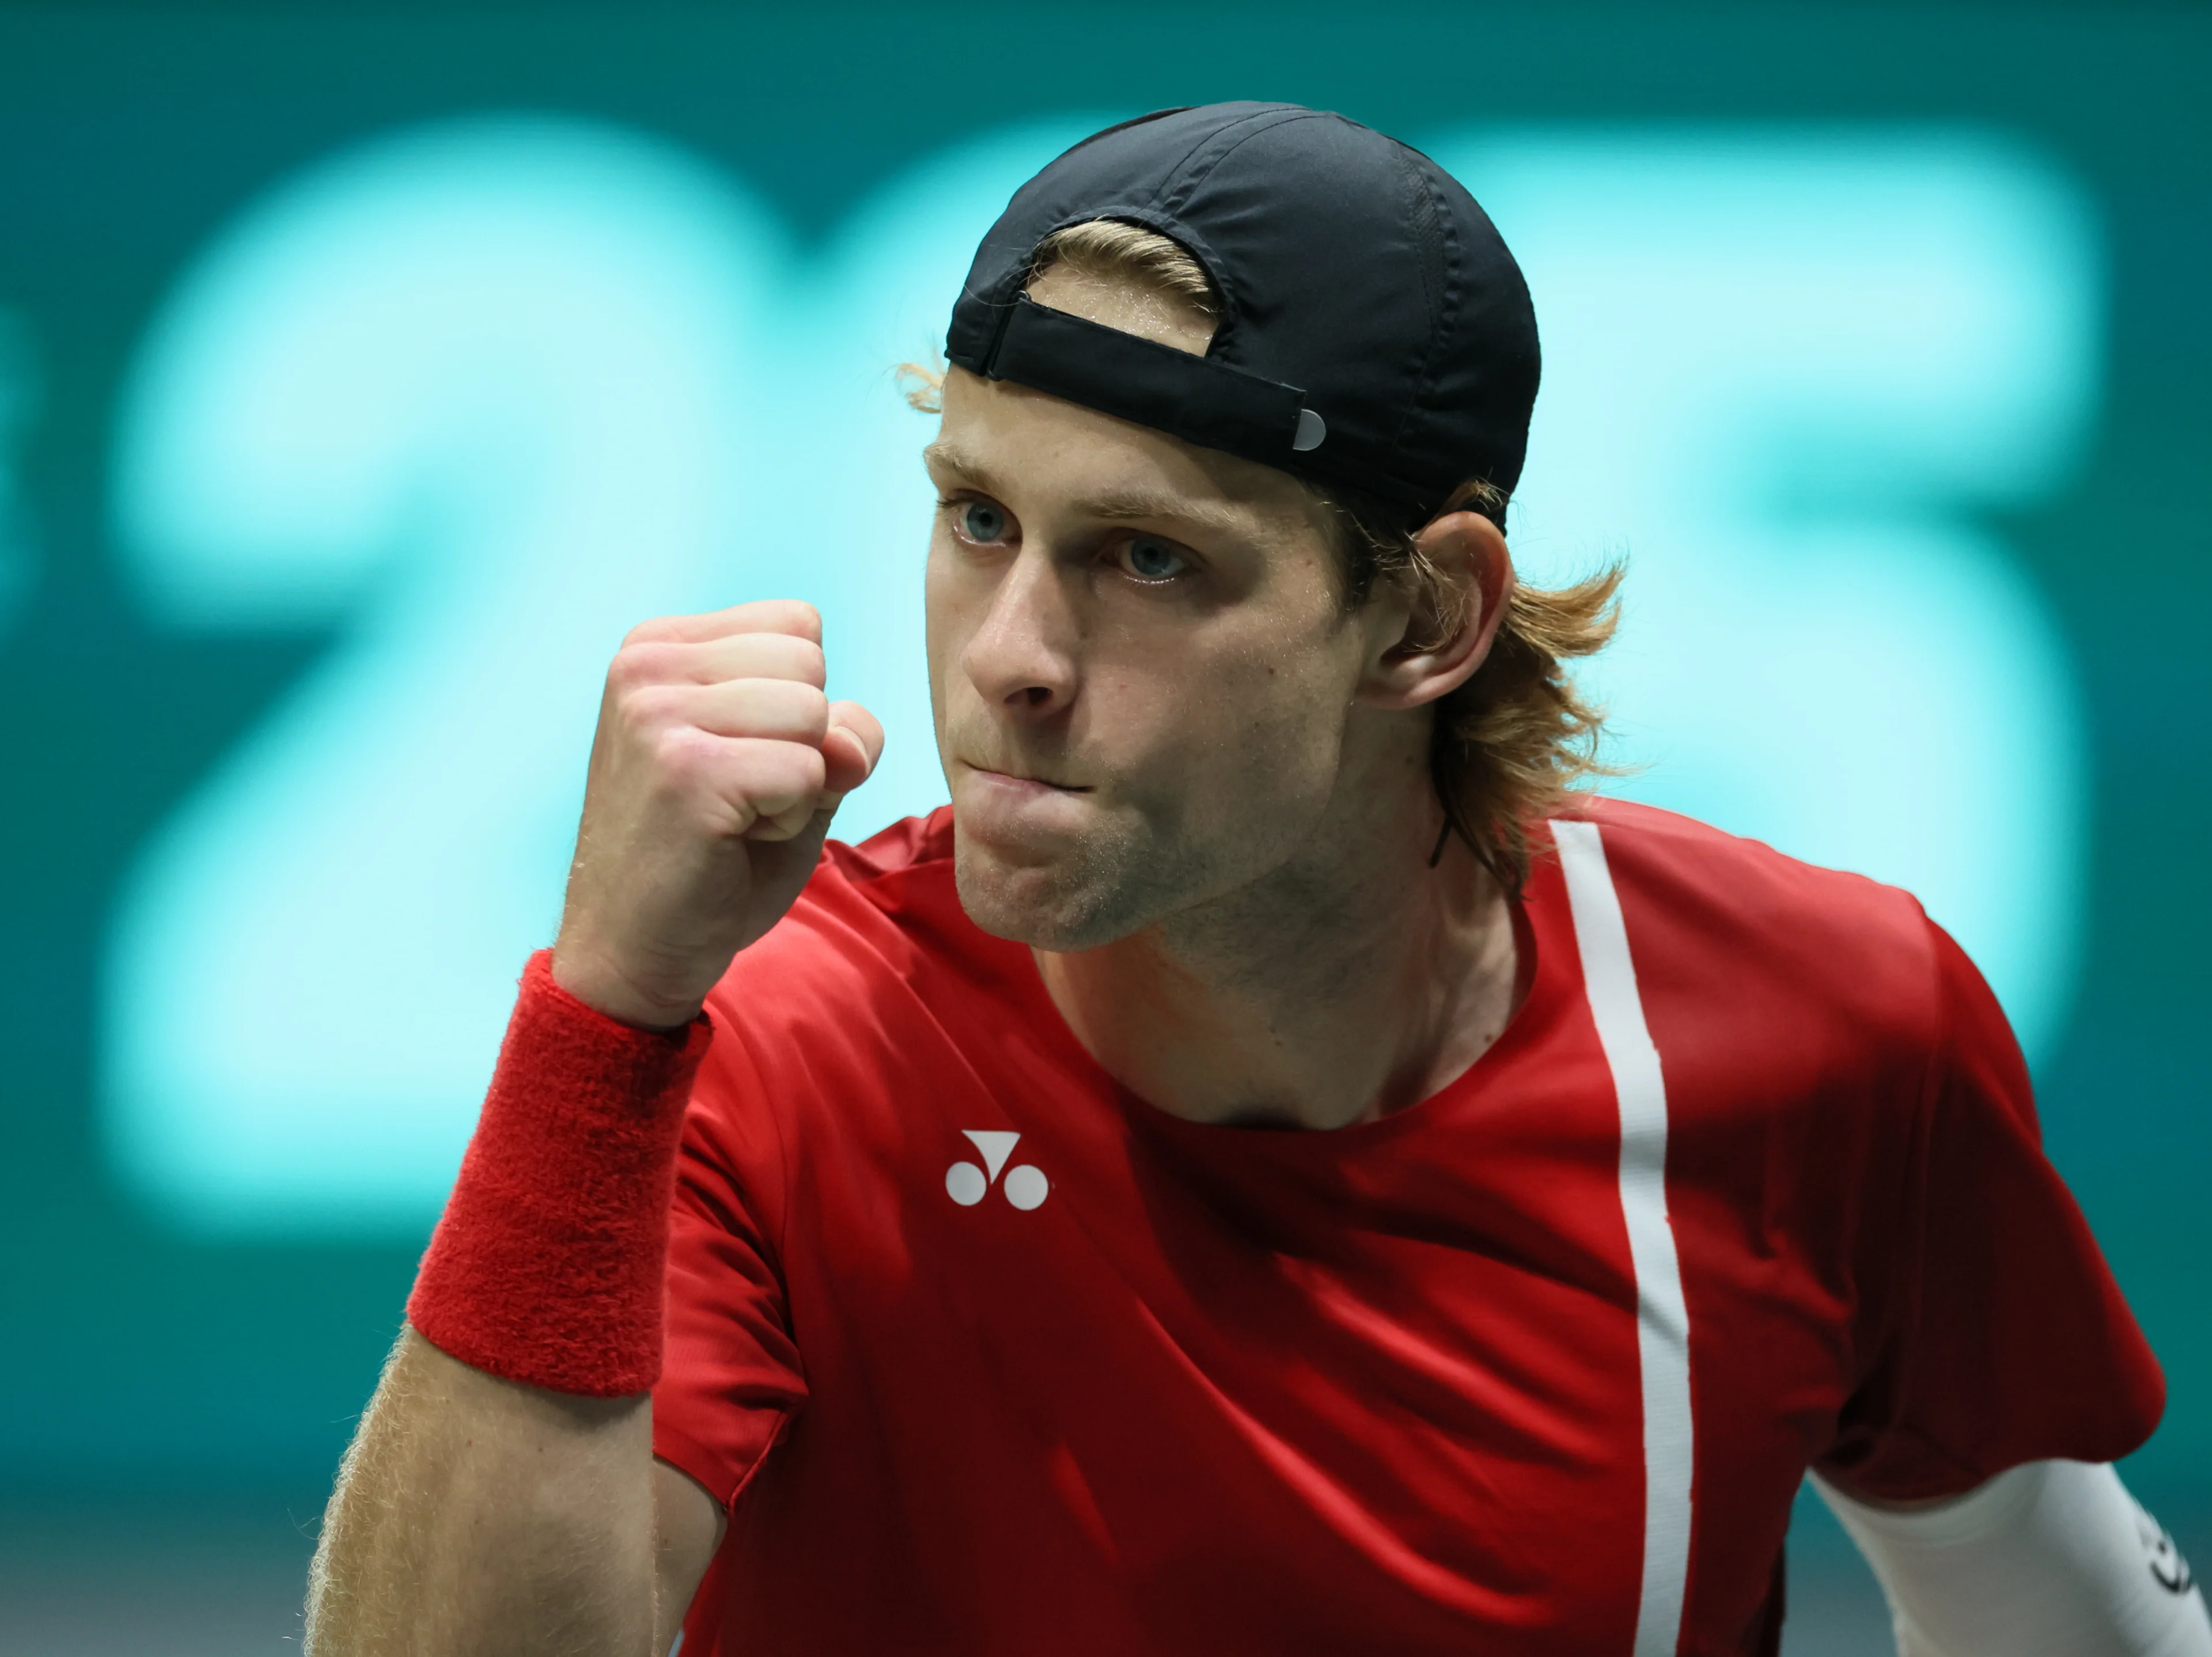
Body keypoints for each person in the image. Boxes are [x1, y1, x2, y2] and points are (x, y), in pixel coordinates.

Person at [301, 104, 2208, 1656]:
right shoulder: (762, 1043)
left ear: (1428, 614)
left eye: (1147, 558)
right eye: (978, 519)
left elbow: (2057, 1608)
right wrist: (606, 1019)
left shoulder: (1812, 1034)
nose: (1009, 654)